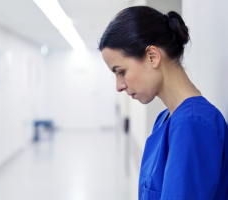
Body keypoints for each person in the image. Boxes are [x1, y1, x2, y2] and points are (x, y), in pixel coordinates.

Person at [98, 6, 228, 200]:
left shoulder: (192, 125)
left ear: (153, 56)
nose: (119, 86)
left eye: (121, 71)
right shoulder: (166, 119)